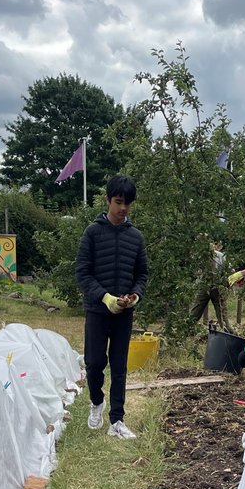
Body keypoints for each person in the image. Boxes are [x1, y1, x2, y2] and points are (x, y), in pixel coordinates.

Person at [75, 174, 148, 439]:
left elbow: (141, 274)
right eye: (118, 201)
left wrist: (135, 296)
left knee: (119, 366)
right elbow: (82, 273)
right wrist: (104, 297)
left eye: (128, 203)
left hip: (124, 314)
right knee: (94, 363)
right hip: (97, 311)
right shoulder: (92, 233)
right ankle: (96, 401)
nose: (123, 208)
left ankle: (117, 420)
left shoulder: (136, 237)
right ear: (108, 200)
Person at [189, 240, 231, 331]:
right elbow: (195, 272)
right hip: (203, 286)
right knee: (196, 310)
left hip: (217, 286)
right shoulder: (199, 257)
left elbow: (230, 269)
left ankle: (227, 331)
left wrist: (226, 283)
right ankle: (187, 329)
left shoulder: (220, 256)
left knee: (222, 312)